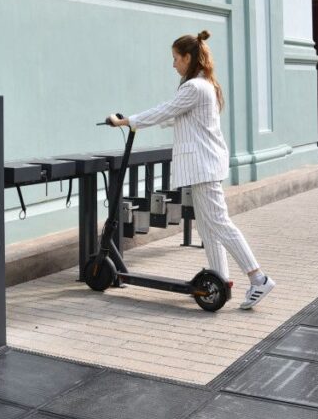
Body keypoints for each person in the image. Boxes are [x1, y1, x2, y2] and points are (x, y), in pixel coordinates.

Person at [108, 30, 275, 310]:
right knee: (209, 228)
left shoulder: (194, 88)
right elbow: (178, 117)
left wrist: (128, 121)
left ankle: (258, 277)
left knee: (219, 223)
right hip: (205, 166)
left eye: (175, 58)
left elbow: (165, 110)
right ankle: (219, 282)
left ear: (188, 57)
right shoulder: (202, 86)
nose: (173, 64)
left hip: (204, 166)